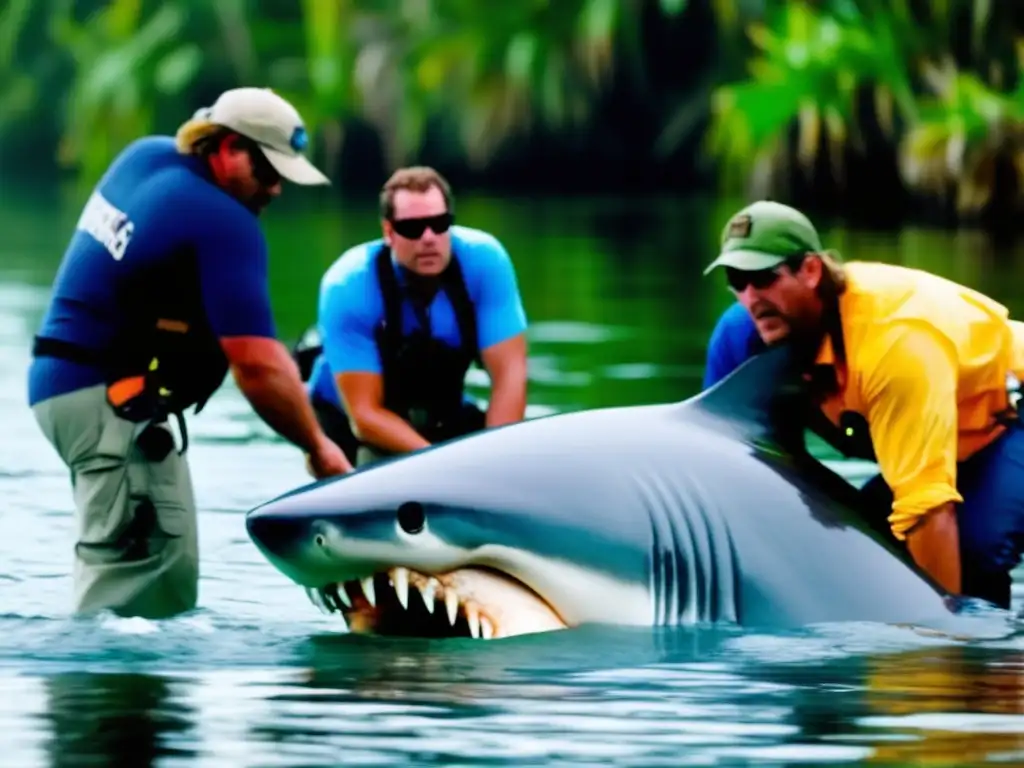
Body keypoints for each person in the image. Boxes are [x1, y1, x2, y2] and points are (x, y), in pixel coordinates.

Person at [27, 87, 353, 621]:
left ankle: (111, 695)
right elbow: (257, 364)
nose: (274, 189)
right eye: (267, 171)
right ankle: (108, 702)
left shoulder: (146, 157)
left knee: (134, 575)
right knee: (145, 590)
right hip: (109, 408)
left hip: (60, 389)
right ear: (225, 147)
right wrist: (319, 447)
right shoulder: (222, 220)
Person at [702, 199, 1024, 610]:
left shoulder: (895, 344)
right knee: (854, 550)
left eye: (764, 277)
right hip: (935, 440)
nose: (751, 297)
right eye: (737, 280)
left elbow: (927, 510)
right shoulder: (739, 338)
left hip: (1007, 422)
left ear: (812, 270)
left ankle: (983, 660)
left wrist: (938, 649)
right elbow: (725, 466)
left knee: (970, 550)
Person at [302, 166, 529, 467]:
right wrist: (438, 466)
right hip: (350, 419)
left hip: (438, 412)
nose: (428, 238)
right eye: (412, 228)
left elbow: (510, 376)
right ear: (388, 232)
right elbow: (365, 416)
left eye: (439, 224)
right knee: (361, 469)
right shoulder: (347, 284)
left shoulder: (486, 262)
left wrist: (492, 464)